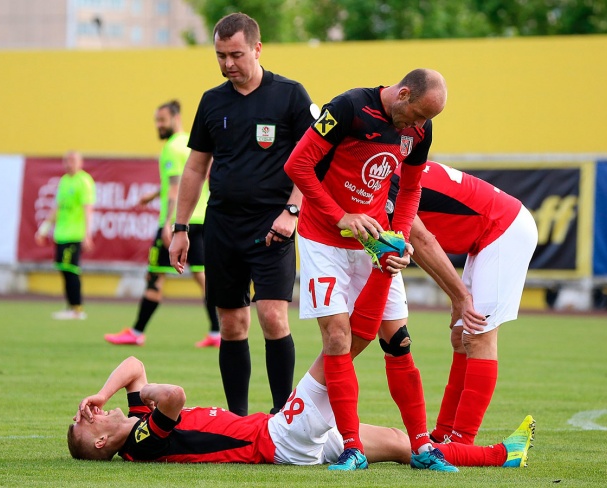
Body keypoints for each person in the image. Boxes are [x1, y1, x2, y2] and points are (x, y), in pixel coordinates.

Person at [284, 68, 453, 471]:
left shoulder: (420, 130)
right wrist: (341, 215)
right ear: (403, 93)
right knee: (338, 338)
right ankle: (352, 448)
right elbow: (297, 166)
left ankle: (423, 447)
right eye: (415, 116)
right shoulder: (347, 108)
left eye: (425, 122)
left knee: (399, 341)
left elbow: (411, 188)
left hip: (373, 241)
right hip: (322, 240)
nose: (418, 127)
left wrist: (399, 237)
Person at [169, 13, 314, 416]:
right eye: (220, 56)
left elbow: (312, 161)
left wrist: (292, 211)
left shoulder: (290, 95)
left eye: (236, 54)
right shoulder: (212, 101)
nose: (228, 64)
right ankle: (237, 419)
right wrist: (181, 228)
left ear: (257, 48)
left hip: (273, 225)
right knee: (232, 324)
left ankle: (282, 415)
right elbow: (196, 167)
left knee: (271, 315)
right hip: (222, 226)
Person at [67, 356, 535, 469]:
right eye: (86, 424)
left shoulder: (128, 420)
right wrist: (145, 392)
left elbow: (132, 365)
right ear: (103, 443)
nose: (88, 415)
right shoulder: (141, 442)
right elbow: (172, 395)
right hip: (278, 437)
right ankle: (380, 272)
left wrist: (103, 394)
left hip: (284, 438)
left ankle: (502, 456)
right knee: (340, 343)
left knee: (401, 442)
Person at [385, 160, 537, 446]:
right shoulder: (383, 165)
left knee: (478, 336)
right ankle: (444, 433)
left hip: (504, 228)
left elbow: (424, 242)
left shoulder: (381, 179)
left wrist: (460, 297)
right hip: (486, 233)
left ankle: (462, 442)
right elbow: (420, 248)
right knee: (460, 337)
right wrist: (456, 296)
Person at [104, 100, 219, 348]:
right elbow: (185, 182)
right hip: (200, 217)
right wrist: (154, 194)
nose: (158, 125)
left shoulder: (171, 148)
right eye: (156, 120)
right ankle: (217, 332)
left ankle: (136, 331)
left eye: (162, 120)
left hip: (180, 221)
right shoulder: (190, 142)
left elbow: (176, 188)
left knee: (155, 275)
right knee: (202, 277)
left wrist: (169, 223)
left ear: (175, 118)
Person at [35, 151, 95, 320]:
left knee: (71, 270)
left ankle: (77, 308)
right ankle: (70, 306)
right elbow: (57, 207)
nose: (70, 164)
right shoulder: (64, 181)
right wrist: (44, 229)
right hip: (61, 234)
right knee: (64, 269)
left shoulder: (84, 181)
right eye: (67, 161)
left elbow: (88, 209)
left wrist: (87, 234)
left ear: (81, 162)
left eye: (73, 160)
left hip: (75, 234)